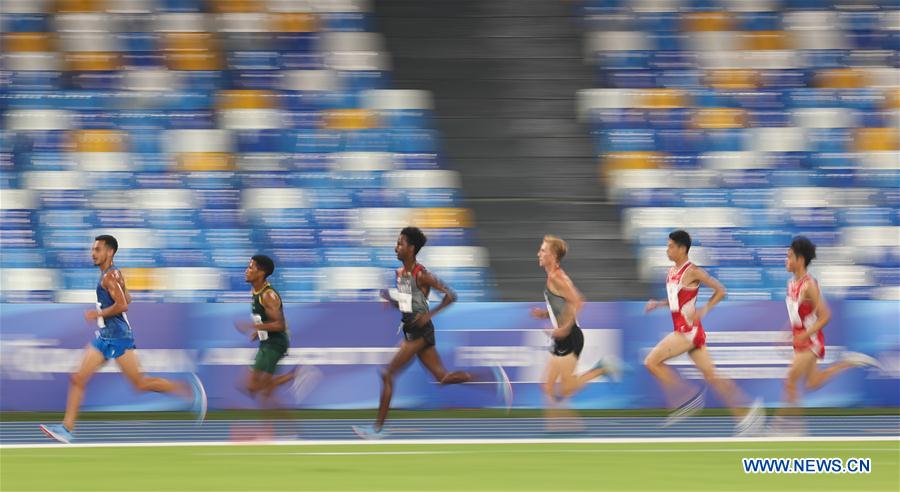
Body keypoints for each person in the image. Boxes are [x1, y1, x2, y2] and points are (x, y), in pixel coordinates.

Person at [40, 235, 206, 444]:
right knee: (78, 377)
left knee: (140, 384)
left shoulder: (109, 276)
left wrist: (97, 314)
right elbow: (128, 298)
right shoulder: (113, 274)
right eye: (93, 249)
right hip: (105, 336)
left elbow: (123, 305)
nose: (93, 253)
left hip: (118, 337)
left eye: (98, 249)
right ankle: (67, 429)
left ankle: (188, 392)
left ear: (109, 252)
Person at [353, 227, 512, 439]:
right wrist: (388, 298)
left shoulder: (422, 275)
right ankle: (492, 377)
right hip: (411, 332)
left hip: (420, 333)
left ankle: (377, 429)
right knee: (443, 377)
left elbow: (450, 295)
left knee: (387, 373)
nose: (396, 247)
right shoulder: (401, 274)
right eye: (397, 243)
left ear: (411, 248)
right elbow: (407, 304)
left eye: (400, 243)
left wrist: (429, 315)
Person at [643, 230, 762, 434]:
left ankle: (687, 396)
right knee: (712, 376)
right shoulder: (671, 272)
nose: (667, 249)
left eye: (671, 246)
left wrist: (705, 309)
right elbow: (675, 301)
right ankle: (747, 411)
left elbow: (721, 290)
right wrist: (658, 304)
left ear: (682, 249)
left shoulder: (693, 271)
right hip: (690, 332)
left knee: (651, 362)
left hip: (686, 332)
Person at [773, 236, 880, 434]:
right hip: (800, 340)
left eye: (789, 257)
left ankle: (789, 429)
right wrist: (785, 331)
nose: (785, 261)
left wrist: (805, 335)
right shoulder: (790, 284)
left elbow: (826, 315)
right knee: (813, 383)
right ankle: (847, 362)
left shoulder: (809, 285)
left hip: (811, 341)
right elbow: (796, 314)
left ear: (800, 259)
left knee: (789, 380)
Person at [530, 236, 618, 429]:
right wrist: (545, 314)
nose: (539, 253)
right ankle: (560, 426)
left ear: (552, 255)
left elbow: (578, 301)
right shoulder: (552, 276)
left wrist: (564, 328)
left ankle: (603, 368)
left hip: (569, 337)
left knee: (566, 388)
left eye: (543, 250)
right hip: (562, 337)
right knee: (547, 386)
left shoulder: (557, 277)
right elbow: (562, 305)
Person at [233, 255, 299, 407]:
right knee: (265, 394)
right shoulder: (256, 291)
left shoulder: (268, 295)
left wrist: (252, 327)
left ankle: (296, 375)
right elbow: (267, 320)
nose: (246, 270)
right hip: (267, 342)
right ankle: (291, 430)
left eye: (251, 267)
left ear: (261, 273)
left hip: (275, 344)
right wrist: (259, 333)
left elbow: (280, 325)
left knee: (253, 387)